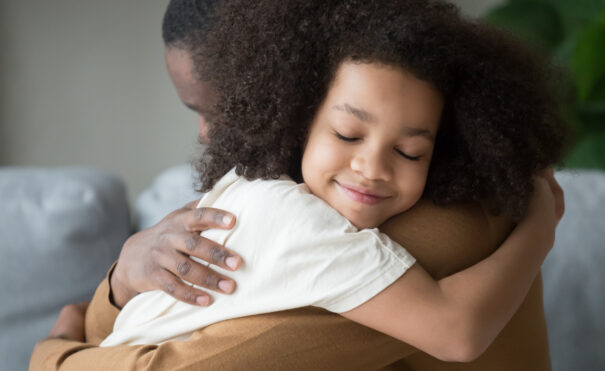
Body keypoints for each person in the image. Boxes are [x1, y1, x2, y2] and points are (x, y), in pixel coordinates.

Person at [30, 0, 566, 369]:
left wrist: (52, 351)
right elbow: (126, 319)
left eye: (224, 103)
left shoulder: (431, 229)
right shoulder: (284, 195)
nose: (210, 133)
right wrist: (121, 280)